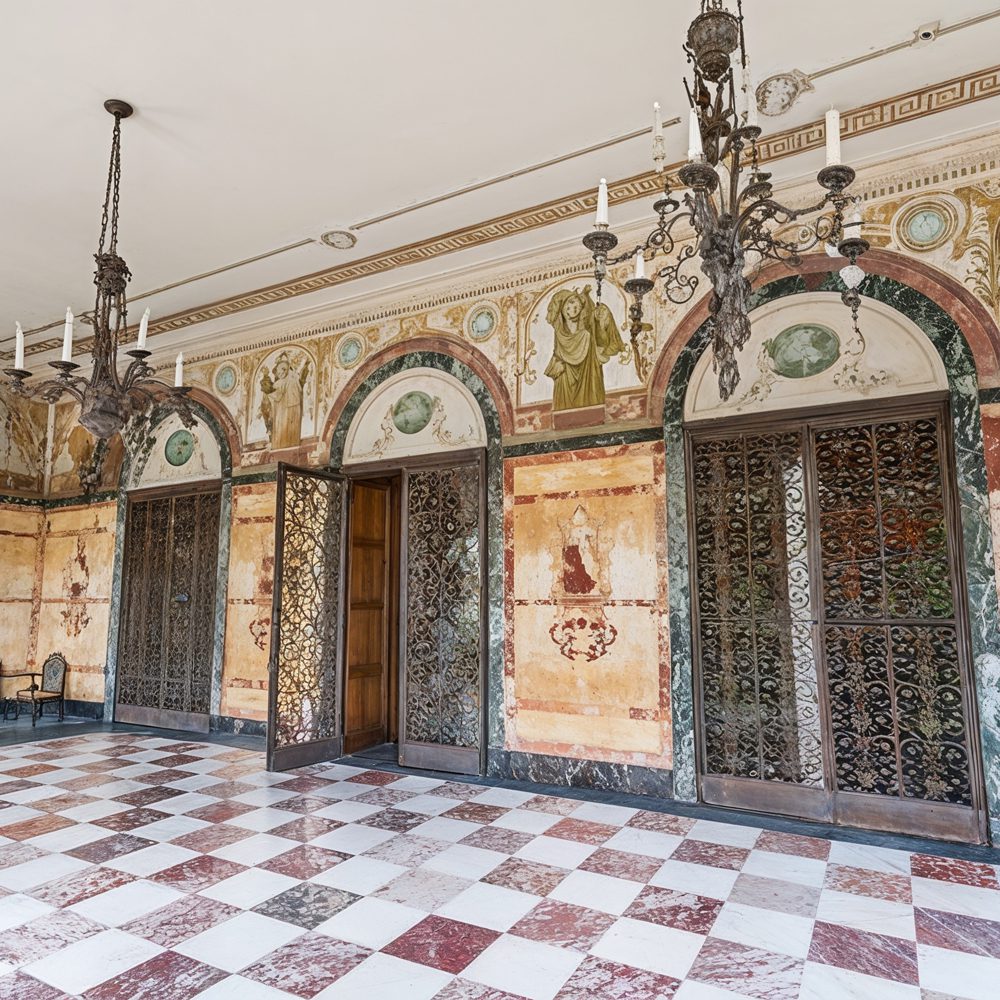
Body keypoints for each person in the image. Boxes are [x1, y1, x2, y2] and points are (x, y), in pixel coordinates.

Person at [543, 286, 625, 411]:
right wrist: (555, 366)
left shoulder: (588, 329)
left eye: (575, 304)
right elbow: (556, 352)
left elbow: (602, 341)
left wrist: (601, 322)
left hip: (589, 374)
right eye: (568, 306)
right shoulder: (560, 332)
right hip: (564, 379)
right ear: (563, 310)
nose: (573, 308)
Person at [260, 352, 309, 449]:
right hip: (290, 412)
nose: (279, 374)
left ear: (285, 371)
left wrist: (266, 377)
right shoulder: (293, 380)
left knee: (284, 436)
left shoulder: (284, 382)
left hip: (285, 414)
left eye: (280, 371)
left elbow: (274, 394)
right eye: (278, 372)